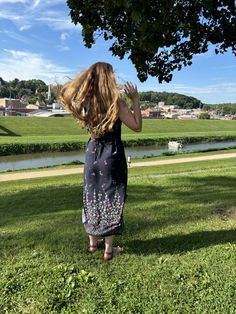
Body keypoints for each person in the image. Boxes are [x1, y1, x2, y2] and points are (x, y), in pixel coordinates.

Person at [60, 62, 142, 261]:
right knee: (112, 197)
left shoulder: (85, 102)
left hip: (92, 153)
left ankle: (92, 244)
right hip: (111, 155)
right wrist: (135, 100)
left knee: (91, 195)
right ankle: (108, 250)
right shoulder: (117, 102)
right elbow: (137, 126)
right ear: (109, 78)